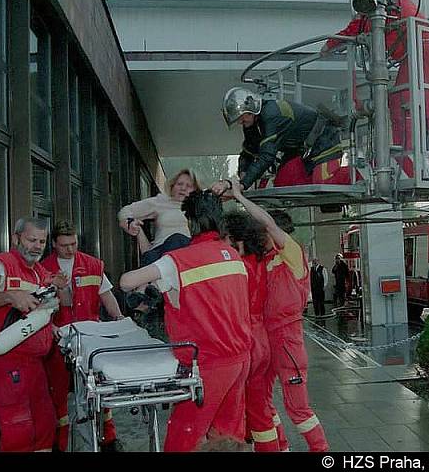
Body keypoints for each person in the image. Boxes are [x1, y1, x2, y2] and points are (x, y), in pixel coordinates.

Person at [119, 190, 251, 452]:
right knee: (227, 438)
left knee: (184, 440)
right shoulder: (233, 257)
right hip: (240, 359)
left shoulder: (177, 261)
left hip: (206, 366)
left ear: (190, 222)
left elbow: (126, 282)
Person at [227, 178, 330, 452]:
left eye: (265, 230)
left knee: (298, 408)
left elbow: (267, 223)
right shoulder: (263, 261)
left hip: (287, 342)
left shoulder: (292, 255)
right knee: (265, 402)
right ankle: (281, 447)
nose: (261, 235)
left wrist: (239, 196)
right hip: (266, 341)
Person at [320, 0, 429, 155]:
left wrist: (330, 44)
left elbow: (359, 27)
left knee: (401, 102)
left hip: (421, 54)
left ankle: (408, 155)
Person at [0, 217, 66, 452]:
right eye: (32, 239)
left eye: (42, 241)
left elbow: (38, 313)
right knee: (18, 431)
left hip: (35, 365)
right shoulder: (1, 264)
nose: (37, 246)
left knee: (45, 428)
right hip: (7, 363)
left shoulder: (40, 272)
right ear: (16, 238)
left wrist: (50, 327)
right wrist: (9, 296)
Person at [40, 220, 123, 452]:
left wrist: (119, 319)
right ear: (54, 244)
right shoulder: (44, 269)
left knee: (100, 391)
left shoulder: (93, 265)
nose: (70, 249)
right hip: (58, 341)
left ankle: (108, 440)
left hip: (90, 339)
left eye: (74, 243)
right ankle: (59, 444)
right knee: (58, 396)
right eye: (65, 245)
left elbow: (106, 295)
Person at [212, 87, 348, 193]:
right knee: (283, 183)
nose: (241, 122)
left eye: (242, 117)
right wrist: (243, 173)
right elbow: (248, 152)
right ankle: (312, 178)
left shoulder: (271, 114)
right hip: (302, 149)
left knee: (324, 183)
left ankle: (357, 176)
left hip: (324, 140)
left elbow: (267, 156)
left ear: (251, 109)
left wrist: (243, 184)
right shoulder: (251, 123)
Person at [221, 211, 281, 452]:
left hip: (244, 340)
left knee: (253, 410)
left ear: (237, 239)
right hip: (262, 338)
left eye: (225, 237)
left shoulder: (235, 266)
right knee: (259, 405)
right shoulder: (262, 261)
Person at [118, 168, 200, 267]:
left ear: (195, 189)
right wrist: (130, 223)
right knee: (177, 239)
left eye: (188, 186)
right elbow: (125, 211)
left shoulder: (200, 208)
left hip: (188, 262)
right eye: (179, 184)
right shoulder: (161, 202)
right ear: (172, 185)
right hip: (161, 258)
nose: (183, 188)